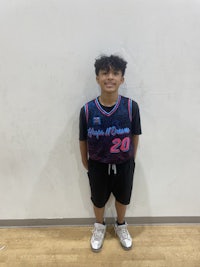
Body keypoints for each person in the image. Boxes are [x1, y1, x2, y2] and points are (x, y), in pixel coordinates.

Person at [79, 54, 142, 252]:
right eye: (105, 73)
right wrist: (86, 162)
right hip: (97, 163)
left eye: (115, 73)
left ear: (122, 79)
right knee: (98, 199)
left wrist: (130, 158)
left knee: (123, 198)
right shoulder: (88, 110)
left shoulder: (131, 107)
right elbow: (83, 139)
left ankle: (121, 224)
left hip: (124, 163)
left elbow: (135, 136)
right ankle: (99, 226)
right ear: (97, 77)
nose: (110, 77)